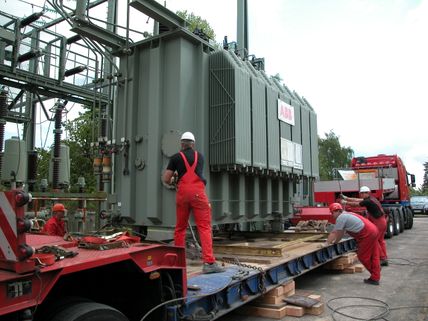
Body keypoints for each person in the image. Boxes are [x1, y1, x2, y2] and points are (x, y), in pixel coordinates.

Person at [163, 131, 224, 274]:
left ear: (181, 144)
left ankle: (179, 262)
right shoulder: (200, 157)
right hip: (198, 193)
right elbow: (197, 173)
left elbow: (166, 179)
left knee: (180, 228)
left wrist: (174, 180)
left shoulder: (175, 157)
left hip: (183, 194)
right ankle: (209, 263)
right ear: (193, 144)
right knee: (204, 227)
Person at [323, 203, 381, 285]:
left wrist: (326, 243)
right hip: (373, 230)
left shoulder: (341, 217)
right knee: (374, 255)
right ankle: (376, 275)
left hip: (367, 234)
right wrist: (336, 242)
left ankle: (375, 275)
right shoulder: (346, 214)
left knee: (363, 256)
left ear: (338, 211)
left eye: (332, 213)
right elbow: (340, 233)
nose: (332, 215)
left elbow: (334, 232)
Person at [340, 186, 388, 266]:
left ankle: (382, 258)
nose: (361, 195)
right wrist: (346, 198)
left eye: (363, 193)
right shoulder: (371, 199)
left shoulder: (368, 201)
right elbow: (357, 200)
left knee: (374, 240)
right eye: (361, 193)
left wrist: (345, 202)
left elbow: (356, 204)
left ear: (367, 193)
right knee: (381, 241)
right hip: (382, 221)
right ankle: (384, 257)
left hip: (378, 222)